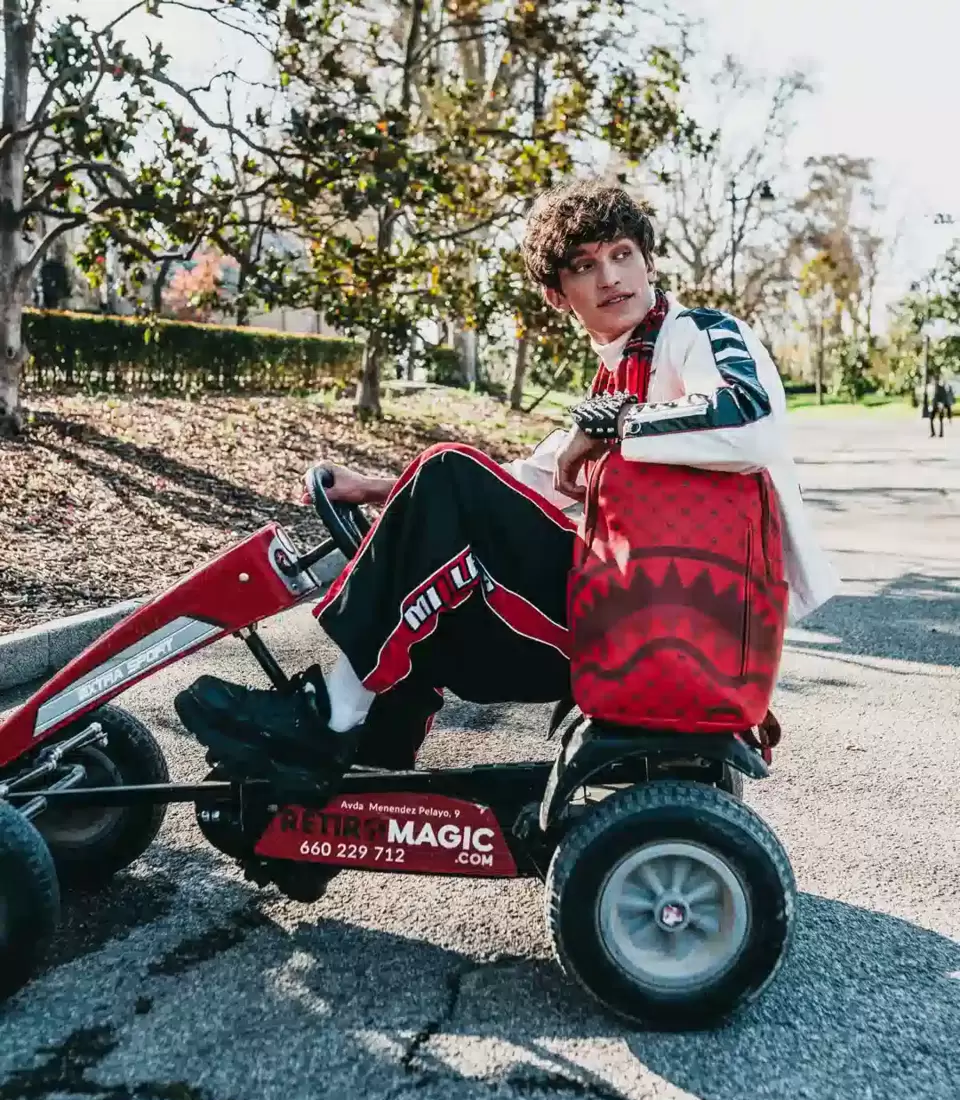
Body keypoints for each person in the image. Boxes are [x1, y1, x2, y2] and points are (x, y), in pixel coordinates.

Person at [175, 180, 840, 788]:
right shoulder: (618, 373)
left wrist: (609, 428)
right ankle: (365, 764)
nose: (610, 277)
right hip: (634, 608)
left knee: (449, 472)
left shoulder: (698, 333)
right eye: (584, 265)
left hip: (667, 617)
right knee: (438, 546)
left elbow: (750, 419)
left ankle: (329, 722)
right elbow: (529, 482)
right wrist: (378, 489)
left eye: (622, 255)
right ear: (557, 294)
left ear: (649, 264)